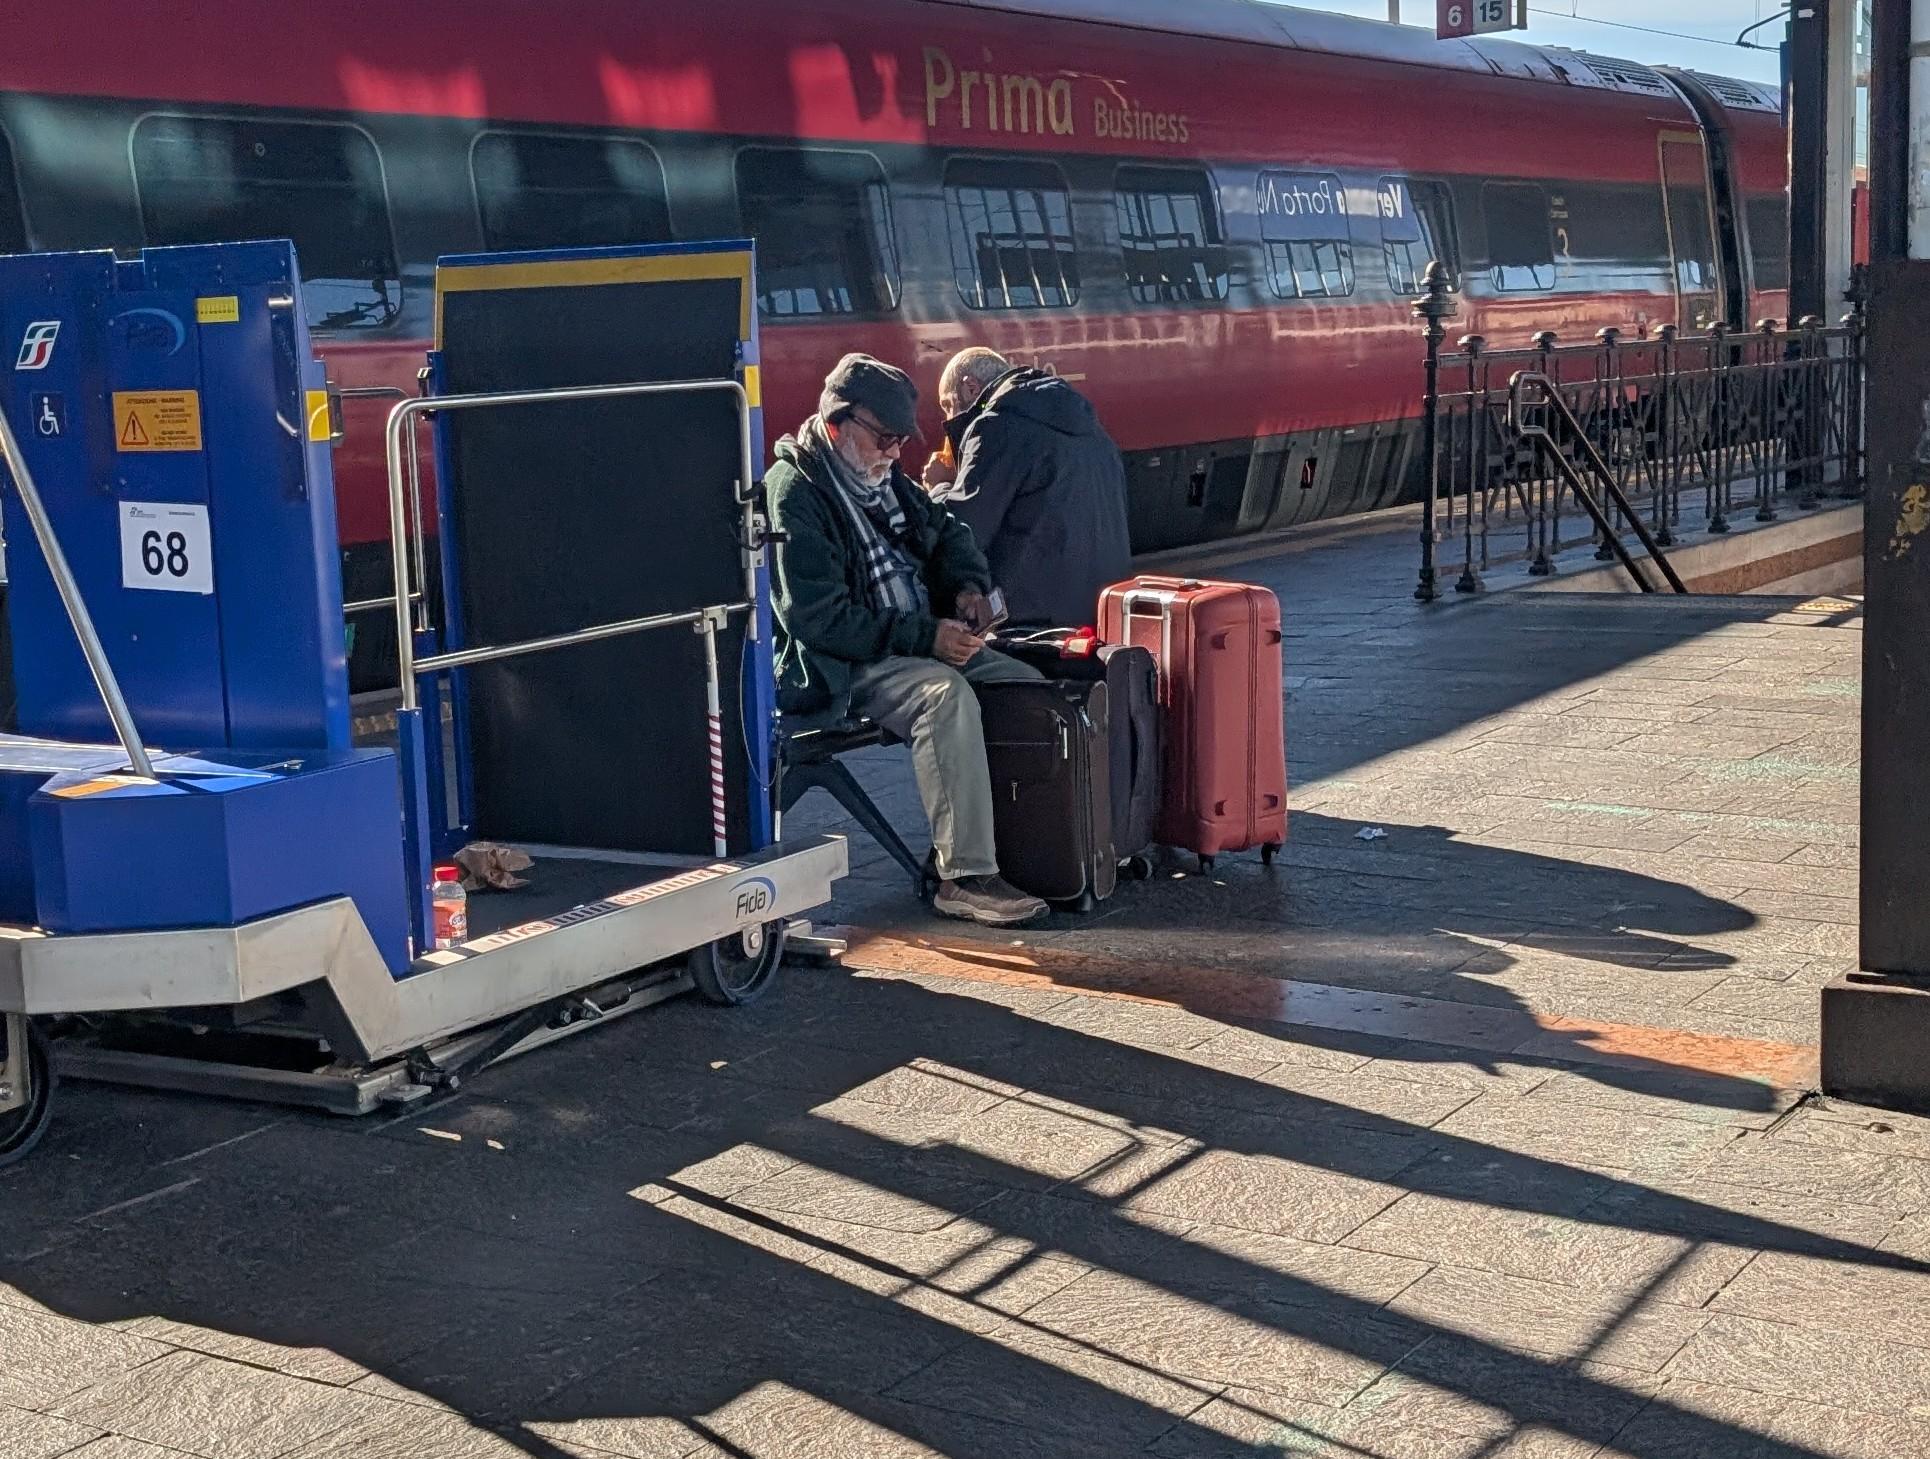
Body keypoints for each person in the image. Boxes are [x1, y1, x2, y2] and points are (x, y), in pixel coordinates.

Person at [767, 353, 1048, 927]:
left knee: (1025, 686)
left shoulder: (884, 479)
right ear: (837, 424)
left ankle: (1032, 848)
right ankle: (964, 876)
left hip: (913, 640)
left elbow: (950, 534)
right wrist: (925, 636)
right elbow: (817, 619)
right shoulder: (794, 491)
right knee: (944, 697)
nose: (896, 453)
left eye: (901, 440)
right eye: (885, 438)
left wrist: (969, 589)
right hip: (841, 663)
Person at [929, 348, 1133, 631]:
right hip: (1104, 614)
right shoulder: (1094, 432)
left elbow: (962, 532)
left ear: (970, 387)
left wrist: (939, 486)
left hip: (1036, 627)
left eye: (948, 406)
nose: (949, 419)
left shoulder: (995, 427)